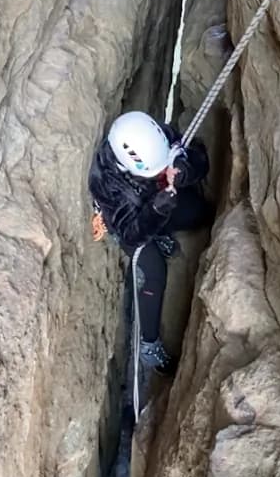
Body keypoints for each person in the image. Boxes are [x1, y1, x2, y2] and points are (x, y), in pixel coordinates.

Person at [88, 111, 212, 375]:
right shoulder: (106, 184)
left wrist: (184, 172)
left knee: (198, 212)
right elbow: (132, 234)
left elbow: (200, 159)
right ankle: (148, 346)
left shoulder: (156, 140)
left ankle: (162, 228)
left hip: (156, 203)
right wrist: (156, 211)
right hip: (135, 222)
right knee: (154, 269)